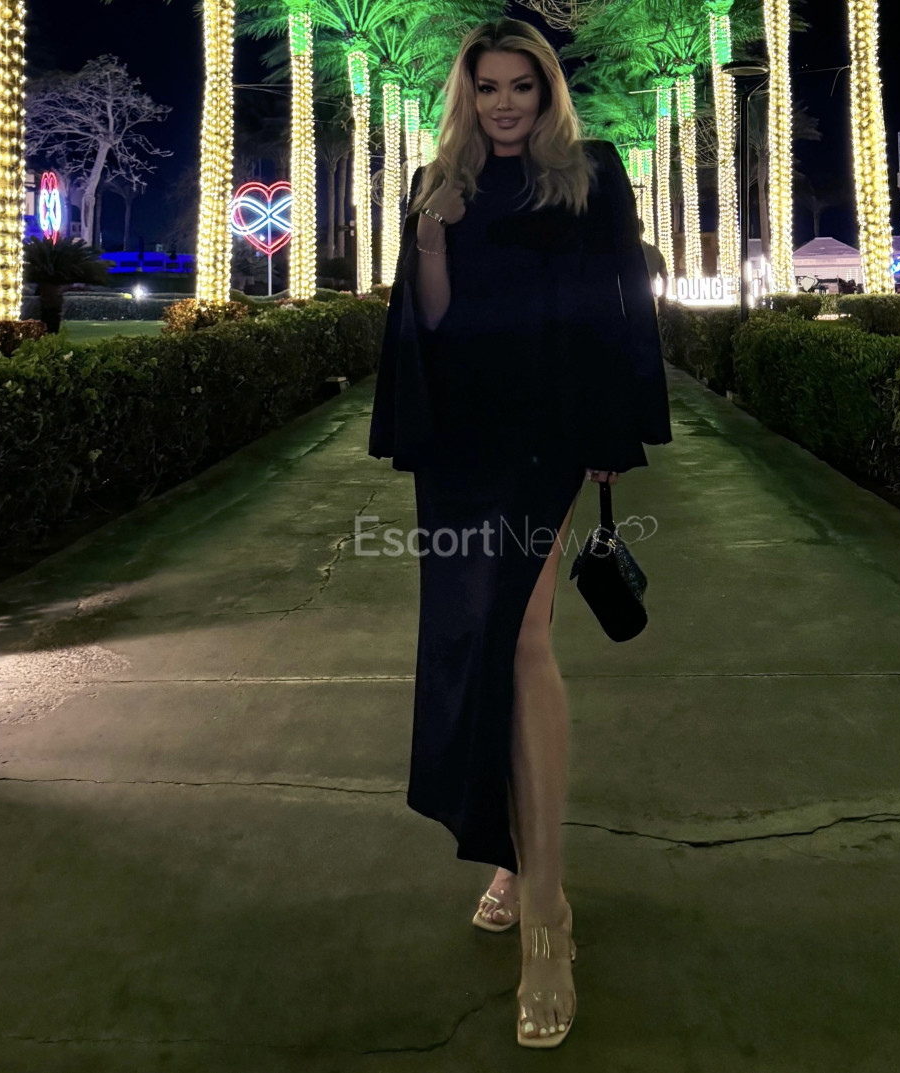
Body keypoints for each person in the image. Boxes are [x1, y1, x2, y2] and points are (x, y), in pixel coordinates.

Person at [368, 17, 672, 1050]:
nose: (504, 103)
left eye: (522, 86)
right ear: (468, 95)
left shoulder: (591, 172)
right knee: (474, 643)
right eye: (488, 87)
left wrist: (621, 426)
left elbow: (623, 297)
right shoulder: (437, 180)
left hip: (551, 432)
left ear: (547, 93)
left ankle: (547, 912)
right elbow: (431, 320)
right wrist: (432, 232)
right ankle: (512, 851)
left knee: (525, 636)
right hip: (462, 440)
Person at [638, 218, 670, 312]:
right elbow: (665, 277)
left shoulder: (625, 253)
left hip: (630, 301)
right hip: (651, 300)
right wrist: (663, 296)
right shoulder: (654, 251)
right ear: (643, 230)